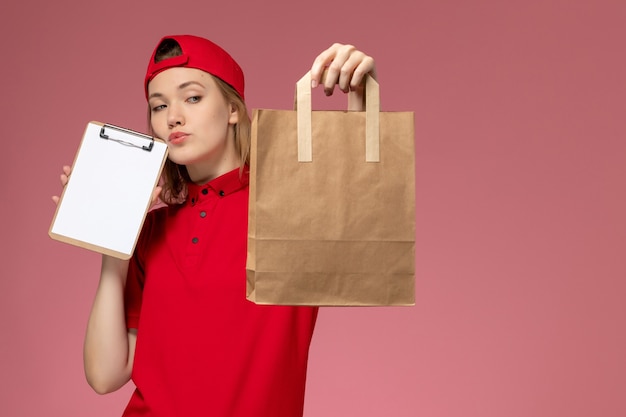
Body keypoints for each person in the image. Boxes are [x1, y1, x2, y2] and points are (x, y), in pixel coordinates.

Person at [53, 34, 376, 417]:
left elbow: (360, 196)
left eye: (192, 97)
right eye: (159, 106)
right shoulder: (151, 232)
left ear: (232, 108)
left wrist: (359, 94)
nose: (172, 116)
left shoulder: (292, 210)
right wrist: (114, 244)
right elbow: (106, 376)